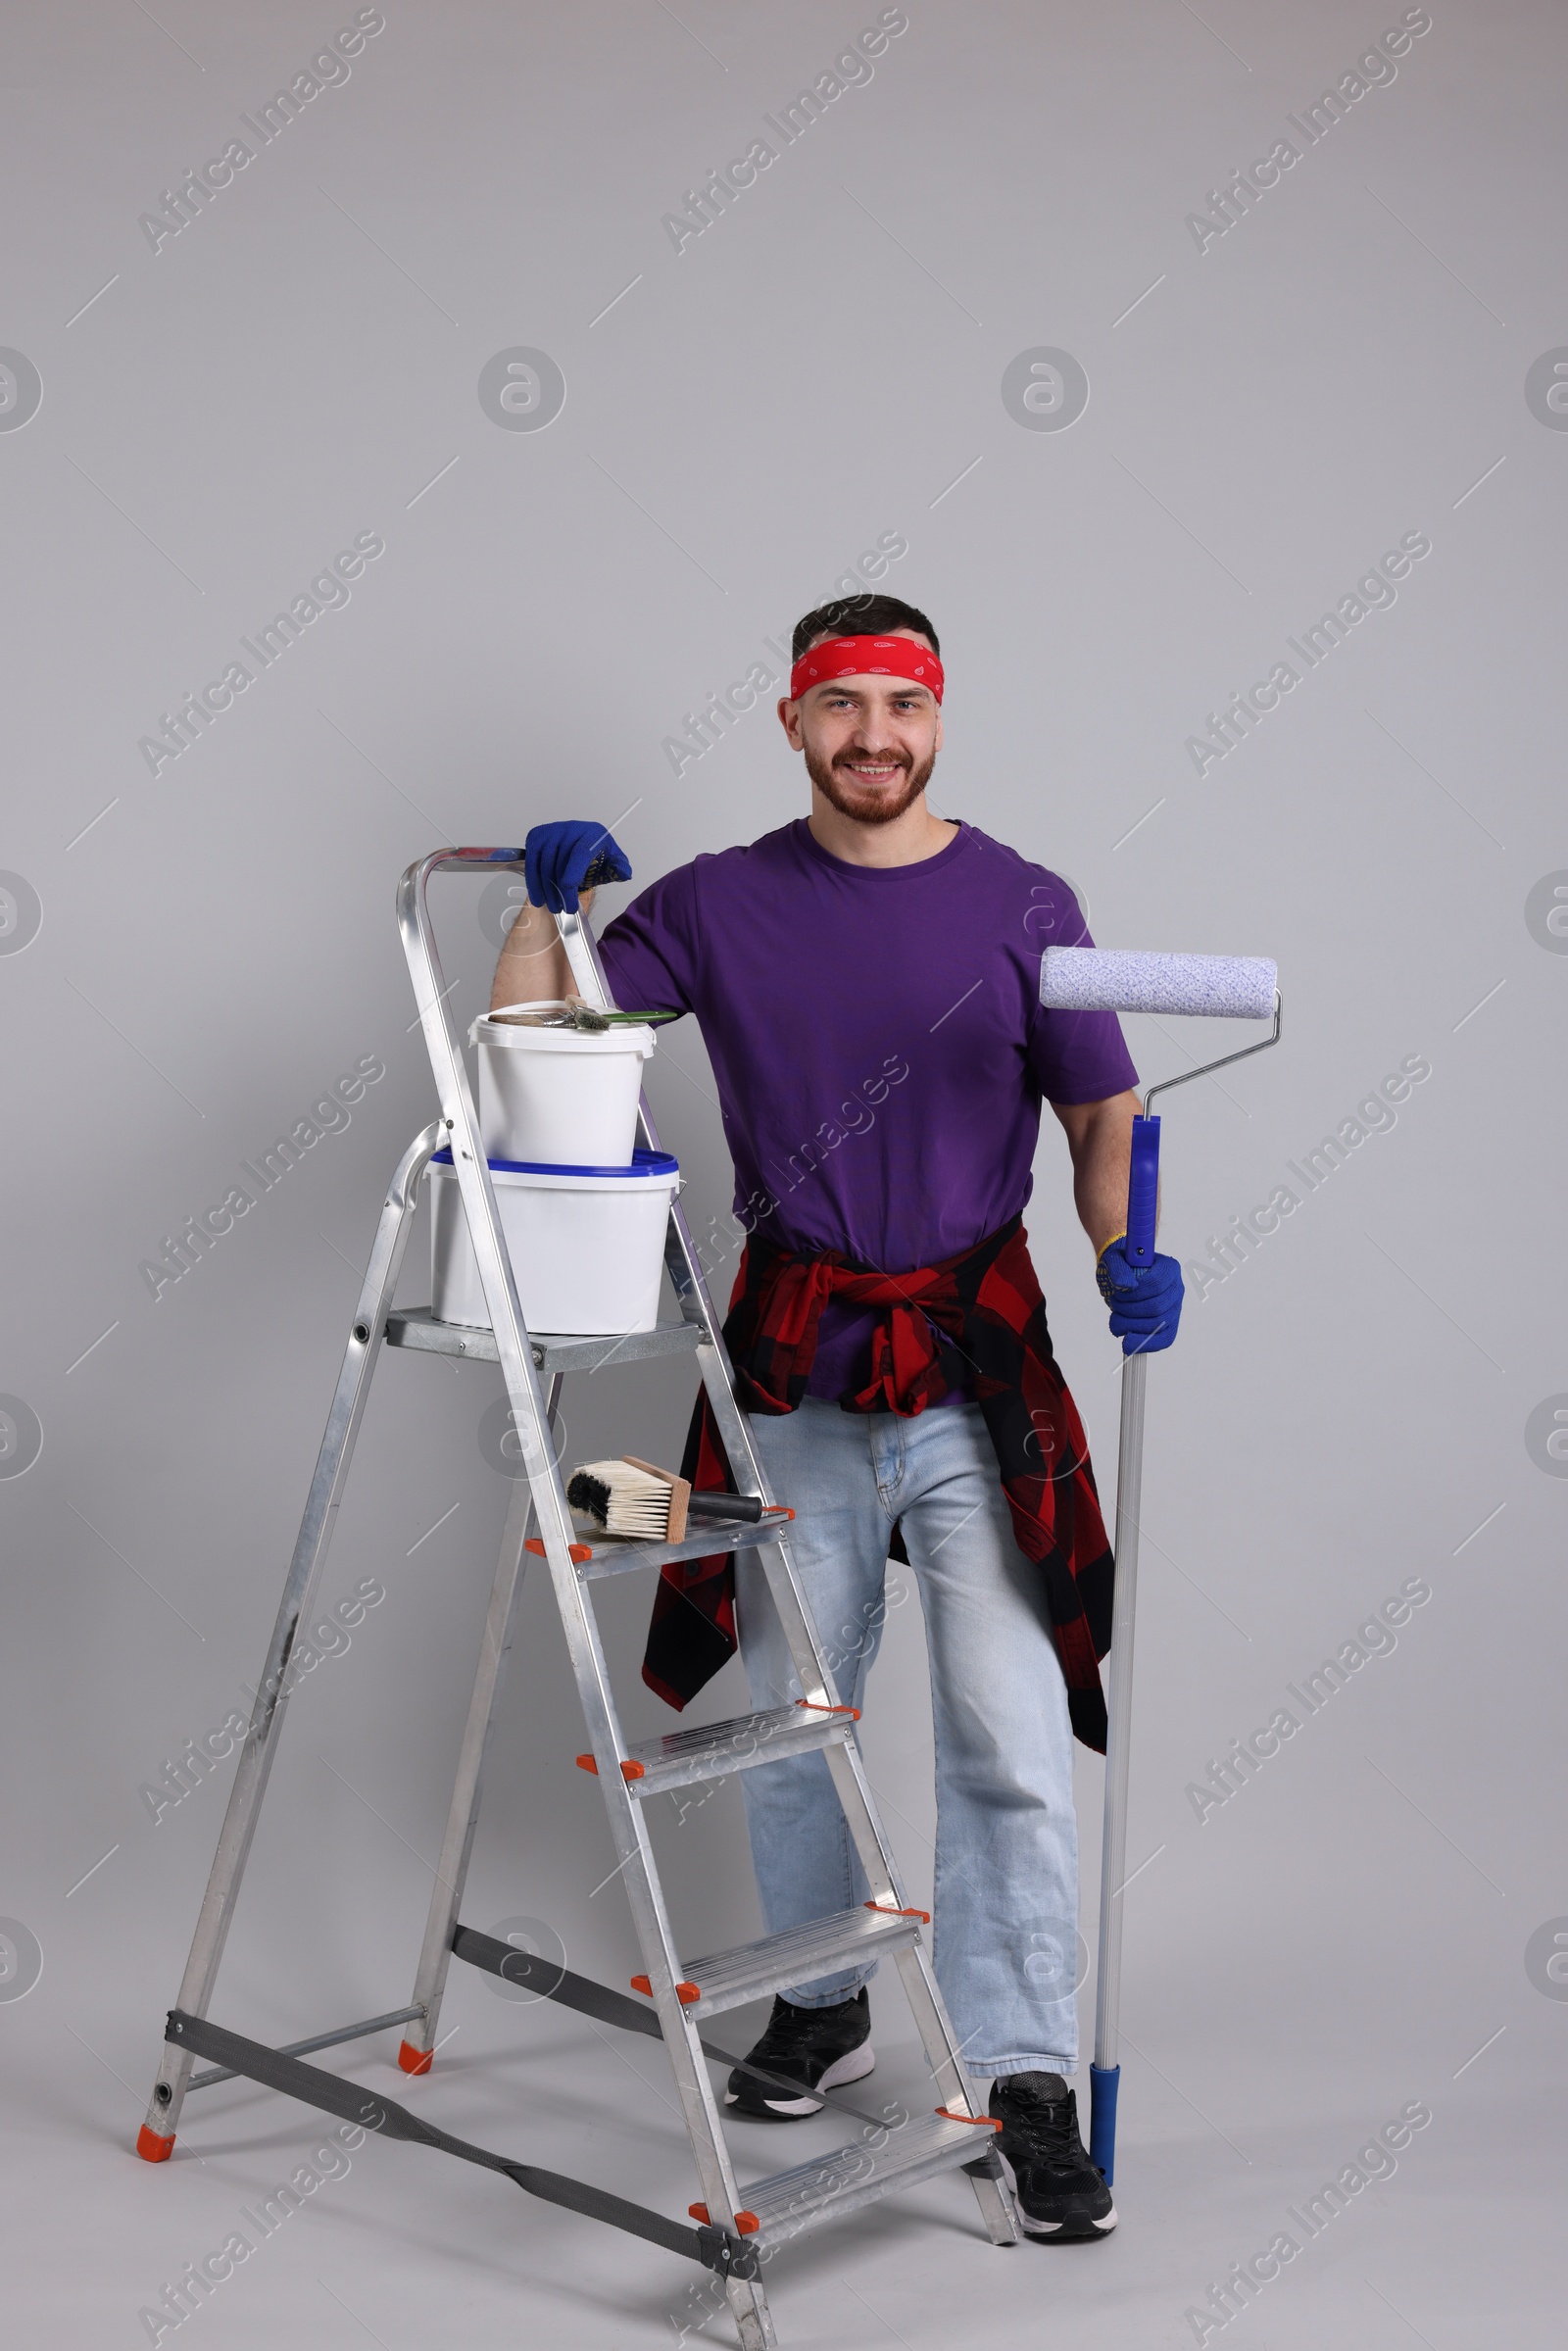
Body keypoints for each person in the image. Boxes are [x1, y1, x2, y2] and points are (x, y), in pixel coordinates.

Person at [488, 594, 1184, 2241]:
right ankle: (822, 2003)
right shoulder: (718, 905)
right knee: (790, 1722)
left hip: (976, 1375)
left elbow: (1104, 1104)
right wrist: (542, 909)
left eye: (903, 704)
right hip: (792, 1363)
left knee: (1009, 1738)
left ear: (940, 719)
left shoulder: (1026, 903)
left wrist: (1126, 1245)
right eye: (842, 705)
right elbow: (539, 1046)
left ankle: (1017, 2073)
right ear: (790, 723)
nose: (876, 734)